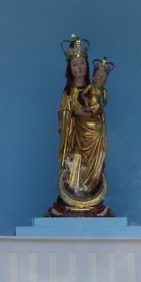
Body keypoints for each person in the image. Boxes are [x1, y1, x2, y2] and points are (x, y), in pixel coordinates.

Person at [49, 35, 112, 217]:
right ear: (70, 69)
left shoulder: (94, 89)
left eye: (82, 64)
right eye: (75, 65)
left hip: (93, 135)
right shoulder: (68, 92)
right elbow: (63, 113)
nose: (80, 68)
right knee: (74, 161)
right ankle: (71, 196)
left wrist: (94, 114)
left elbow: (99, 110)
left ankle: (91, 195)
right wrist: (73, 113)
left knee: (92, 165)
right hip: (74, 135)